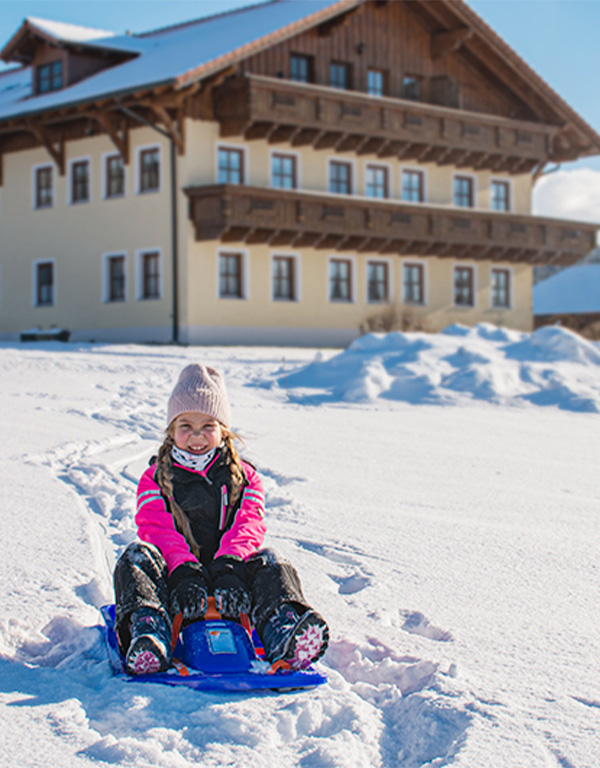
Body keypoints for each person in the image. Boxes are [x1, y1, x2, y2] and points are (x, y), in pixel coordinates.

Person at [113, 363, 329, 675]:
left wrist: (229, 566)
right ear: (170, 430)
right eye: (186, 425)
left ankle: (283, 629)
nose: (197, 436)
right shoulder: (154, 478)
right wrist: (184, 570)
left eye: (208, 426)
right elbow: (156, 528)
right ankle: (148, 632)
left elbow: (248, 525)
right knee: (136, 557)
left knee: (271, 561)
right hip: (177, 584)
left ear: (223, 429)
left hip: (232, 584)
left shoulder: (246, 477)